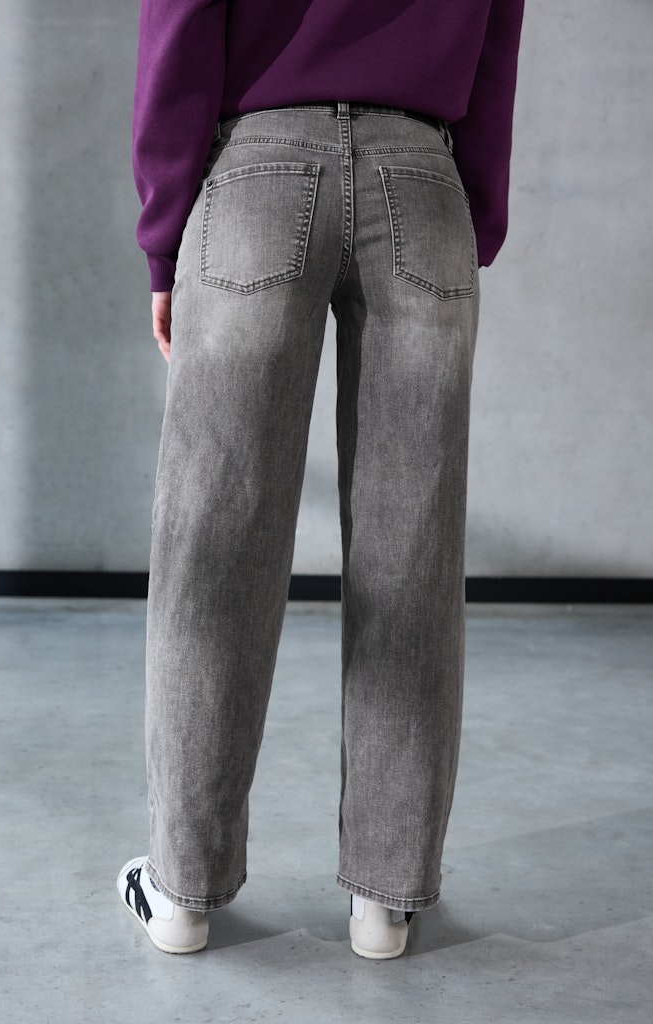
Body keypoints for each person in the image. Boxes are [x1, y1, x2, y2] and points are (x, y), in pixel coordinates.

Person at [117, 0, 525, 959]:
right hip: (423, 183)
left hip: (257, 173)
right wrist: (471, 211)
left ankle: (182, 891)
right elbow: (497, 37)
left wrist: (165, 232)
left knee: (213, 547)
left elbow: (180, 17)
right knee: (412, 555)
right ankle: (386, 900)